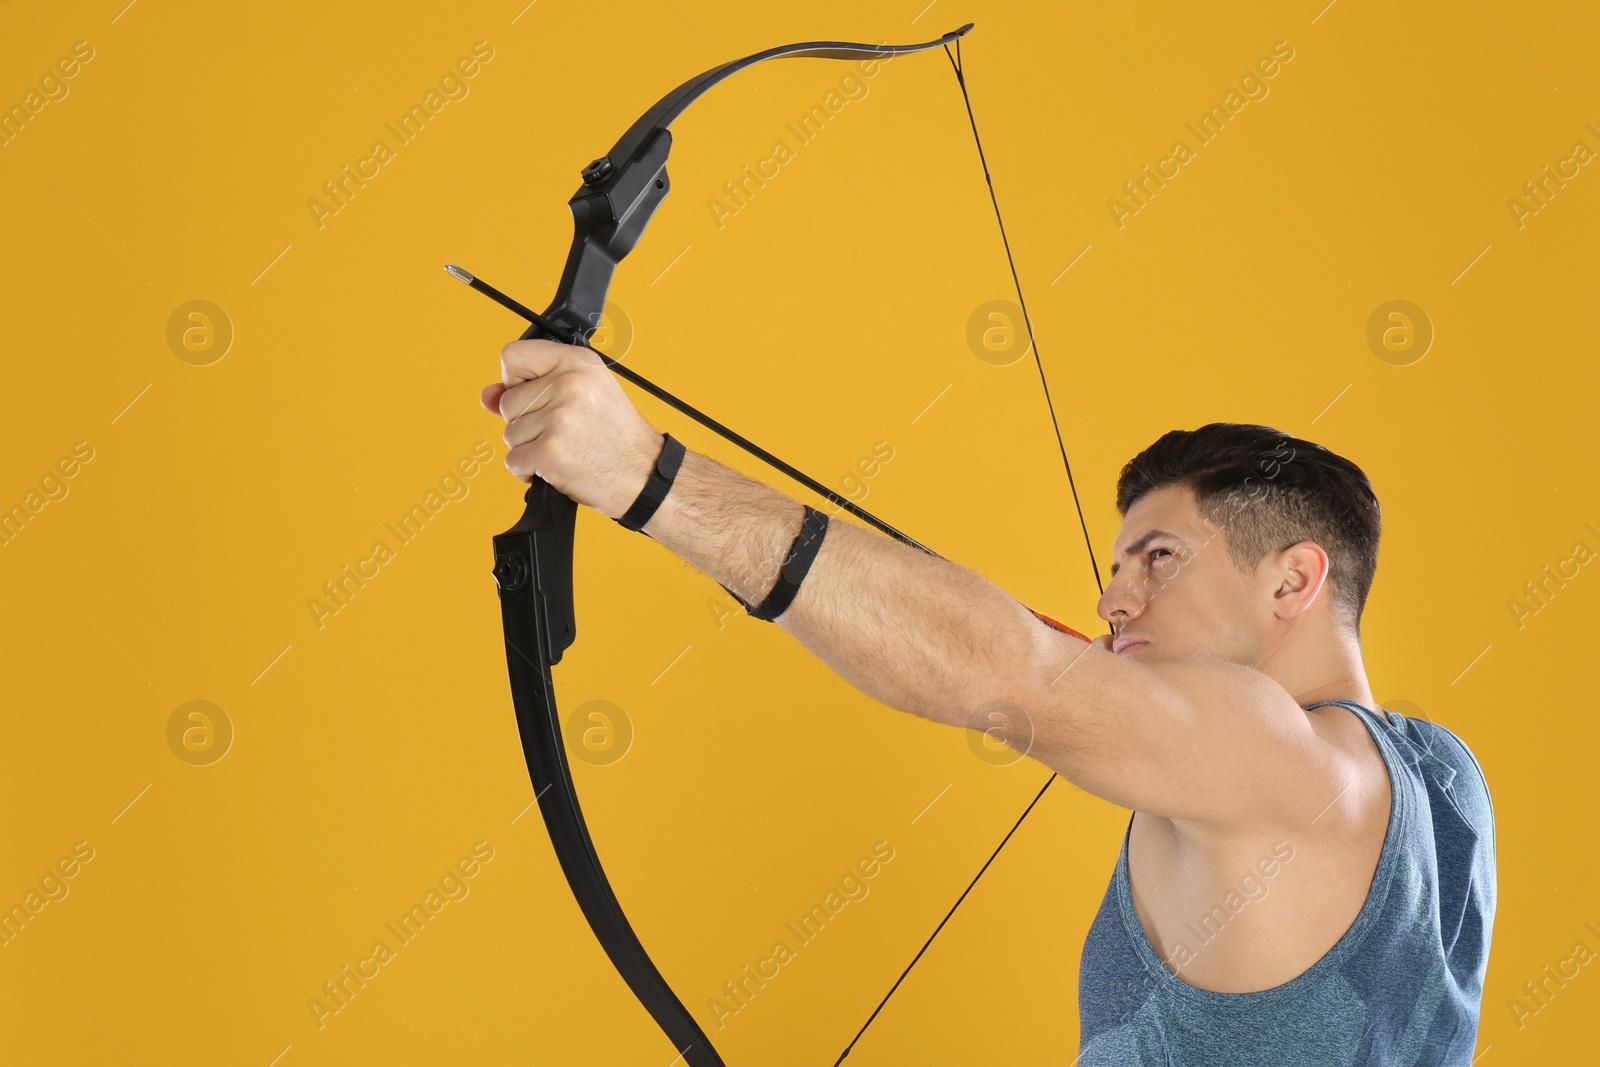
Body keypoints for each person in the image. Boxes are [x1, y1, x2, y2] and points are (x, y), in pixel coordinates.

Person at [480, 338, 1496, 1065]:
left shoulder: (1276, 759)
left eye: (1160, 558)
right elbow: (1046, 661)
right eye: (1115, 566)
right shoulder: (1440, 773)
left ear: (1291, 581)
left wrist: (643, 476)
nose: (1113, 596)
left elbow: (1011, 675)